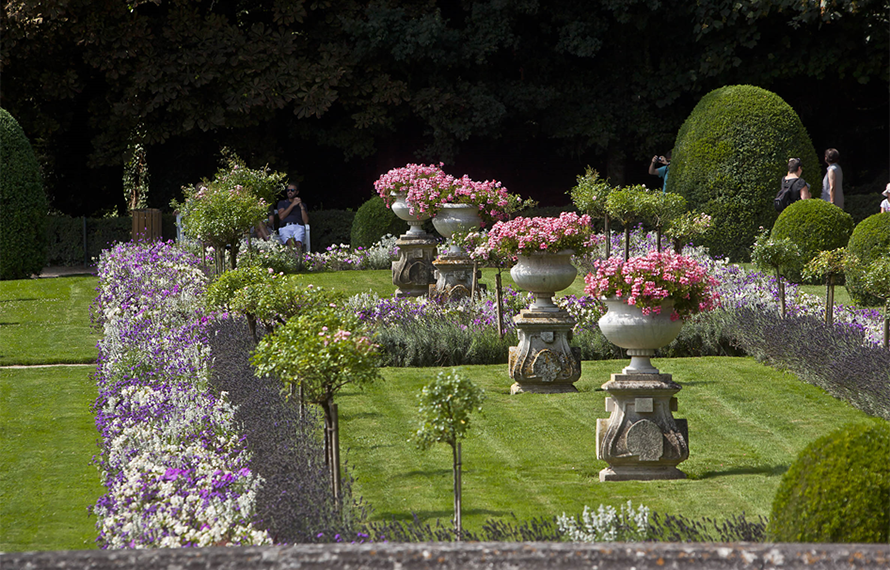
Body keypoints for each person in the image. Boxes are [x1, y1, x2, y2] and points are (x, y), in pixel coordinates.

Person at [275, 182, 309, 253]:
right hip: (285, 227)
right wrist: (293, 204)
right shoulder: (282, 203)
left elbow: (306, 221)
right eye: (288, 190)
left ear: (297, 192)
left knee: (298, 244)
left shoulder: (302, 205)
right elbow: (281, 217)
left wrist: (301, 207)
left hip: (298, 227)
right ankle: (294, 261)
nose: (290, 192)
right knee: (291, 242)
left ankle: (299, 261)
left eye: (292, 190)